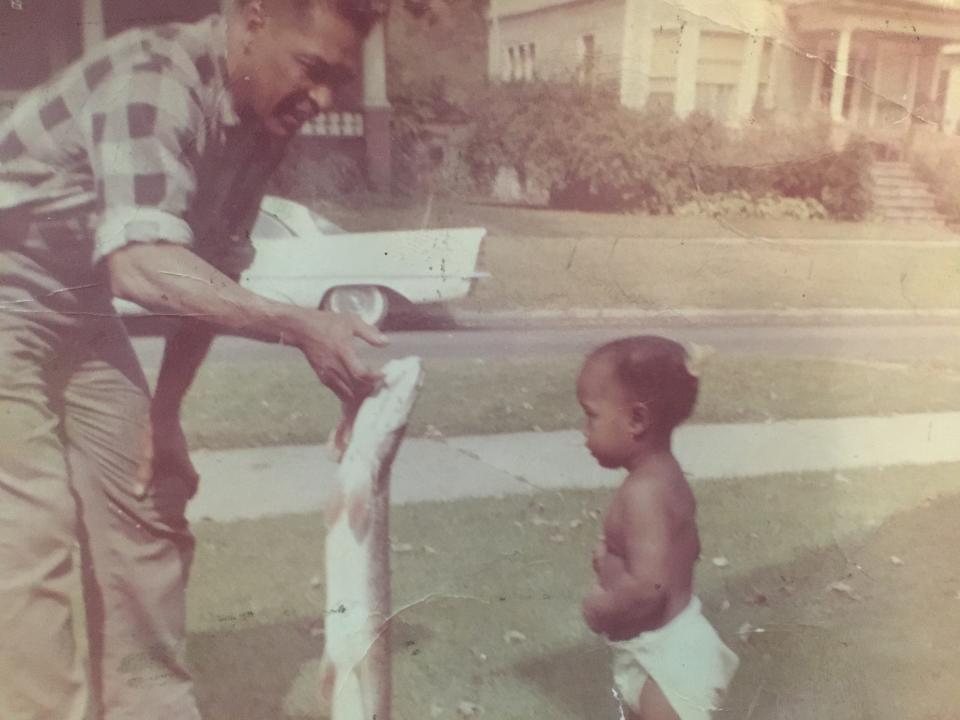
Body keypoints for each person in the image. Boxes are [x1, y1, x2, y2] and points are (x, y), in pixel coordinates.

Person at [0, 1, 387, 718]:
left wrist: (167, 413)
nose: (324, 98)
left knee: (151, 500)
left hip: (76, 307)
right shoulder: (154, 79)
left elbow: (209, 269)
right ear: (252, 21)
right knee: (28, 542)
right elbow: (143, 265)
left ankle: (151, 702)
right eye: (313, 68)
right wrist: (298, 323)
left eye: (340, 79)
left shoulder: (260, 121)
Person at [577, 336, 738, 720]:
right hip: (656, 649)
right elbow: (683, 550)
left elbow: (650, 586)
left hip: (670, 658)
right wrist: (612, 561)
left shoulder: (645, 491)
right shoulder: (664, 478)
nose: (584, 430)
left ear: (636, 419)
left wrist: (602, 607)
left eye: (592, 416)